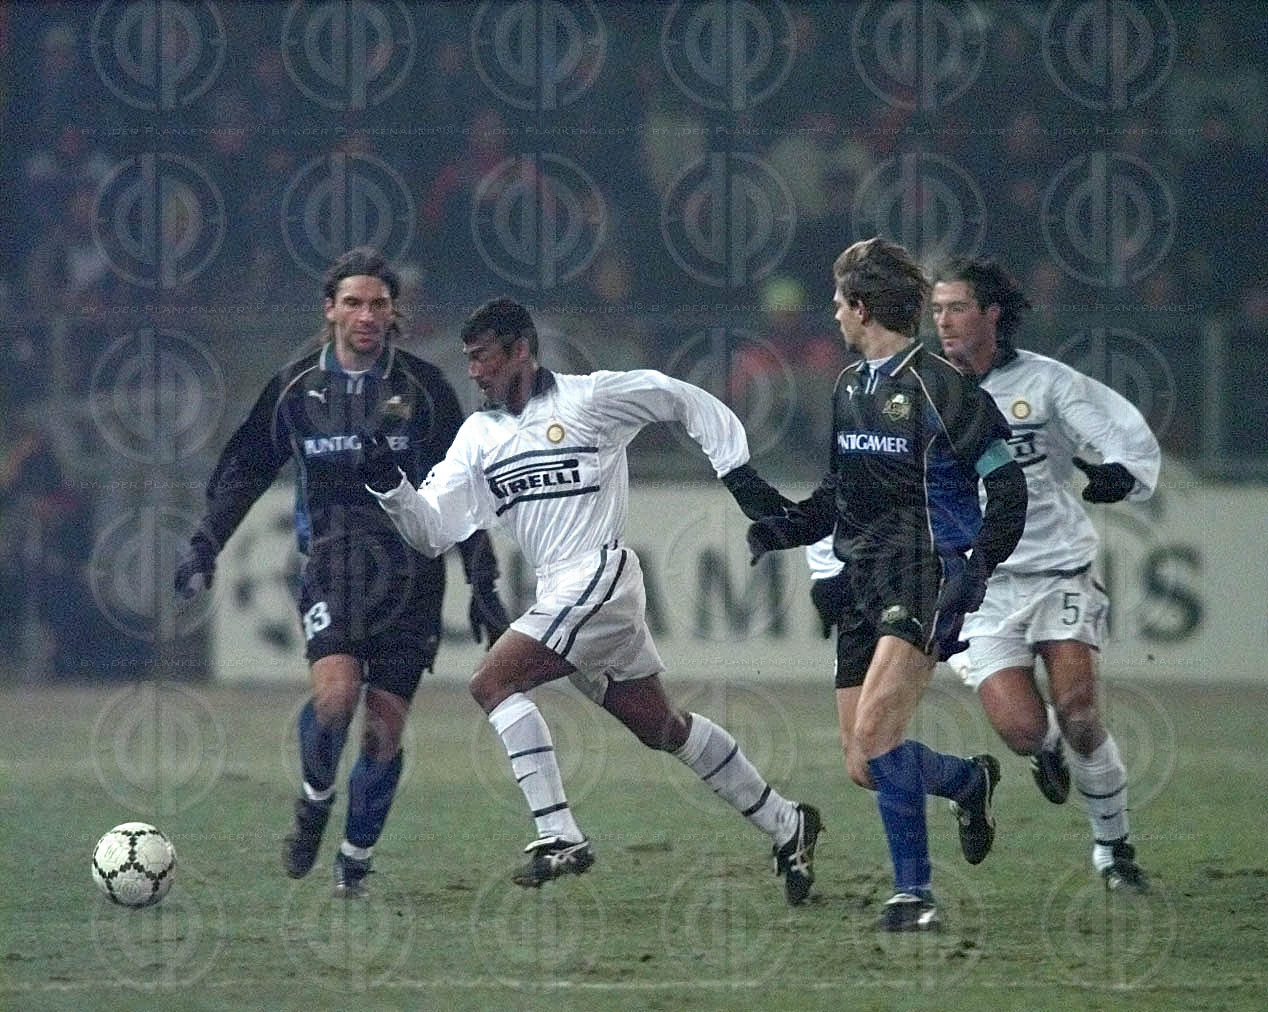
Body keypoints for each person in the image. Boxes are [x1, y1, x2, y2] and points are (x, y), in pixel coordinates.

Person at [361, 296, 822, 904]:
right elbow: (431, 533)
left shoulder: (591, 399)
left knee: (492, 682)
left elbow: (679, 396)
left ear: (521, 350)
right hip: (565, 590)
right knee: (662, 727)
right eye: (468, 359)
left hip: (600, 575)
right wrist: (389, 483)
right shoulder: (478, 436)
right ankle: (788, 823)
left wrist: (737, 472)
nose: (473, 371)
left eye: (483, 357)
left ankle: (559, 834)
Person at [174, 247, 510, 898]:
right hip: (335, 566)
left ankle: (354, 862)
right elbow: (246, 467)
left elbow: (463, 489)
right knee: (334, 699)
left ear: (394, 313)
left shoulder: (425, 391)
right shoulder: (296, 389)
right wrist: (205, 541)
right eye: (353, 303)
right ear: (330, 310)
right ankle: (314, 798)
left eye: (378, 304)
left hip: (413, 577)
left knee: (383, 731)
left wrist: (482, 579)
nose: (366, 315)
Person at [745, 237, 1028, 931]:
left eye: (840, 301)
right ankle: (968, 781)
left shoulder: (944, 387)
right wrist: (785, 529)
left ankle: (914, 896)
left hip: (926, 574)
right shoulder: (849, 386)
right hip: (861, 580)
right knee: (863, 762)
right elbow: (840, 491)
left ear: (863, 308)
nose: (834, 312)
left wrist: (978, 567)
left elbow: (1008, 489)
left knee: (876, 737)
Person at [931, 256, 1160, 893]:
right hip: (982, 583)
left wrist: (1120, 475)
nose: (943, 321)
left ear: (991, 314)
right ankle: (1047, 751)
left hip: (1059, 569)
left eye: (957, 308)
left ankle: (1113, 851)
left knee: (1080, 711)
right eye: (937, 310)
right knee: (1024, 731)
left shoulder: (1047, 382)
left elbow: (1115, 431)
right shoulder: (925, 390)